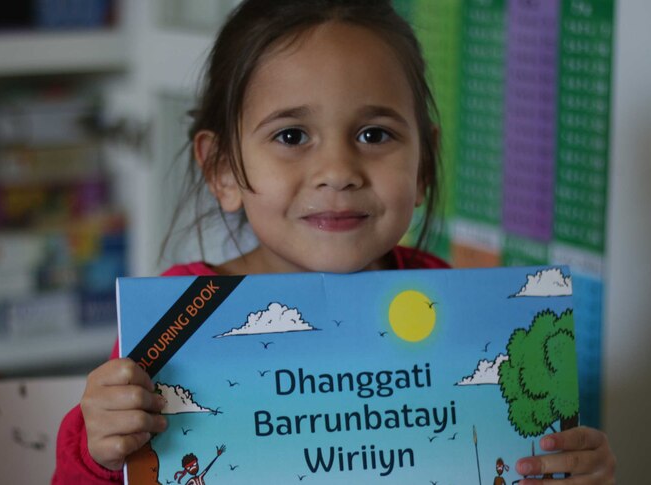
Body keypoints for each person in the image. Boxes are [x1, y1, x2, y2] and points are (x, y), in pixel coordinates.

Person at [53, 1, 617, 484]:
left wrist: (575, 468)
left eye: (375, 134)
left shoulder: (451, 301)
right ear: (222, 168)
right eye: (291, 135)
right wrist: (101, 454)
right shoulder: (175, 323)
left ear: (422, 165)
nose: (338, 170)